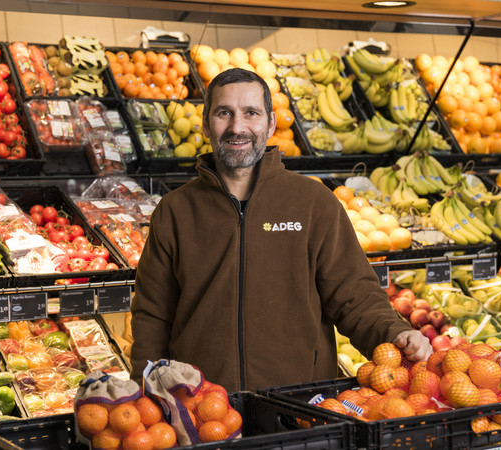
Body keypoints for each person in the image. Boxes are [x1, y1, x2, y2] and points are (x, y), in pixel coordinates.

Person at [130, 68, 432, 392]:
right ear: (205, 124)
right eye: (223, 113)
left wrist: (394, 333)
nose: (237, 127)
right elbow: (152, 318)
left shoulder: (313, 202)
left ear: (271, 123)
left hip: (300, 406)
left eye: (251, 113)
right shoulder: (175, 211)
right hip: (202, 409)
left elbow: (355, 296)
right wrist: (147, 392)